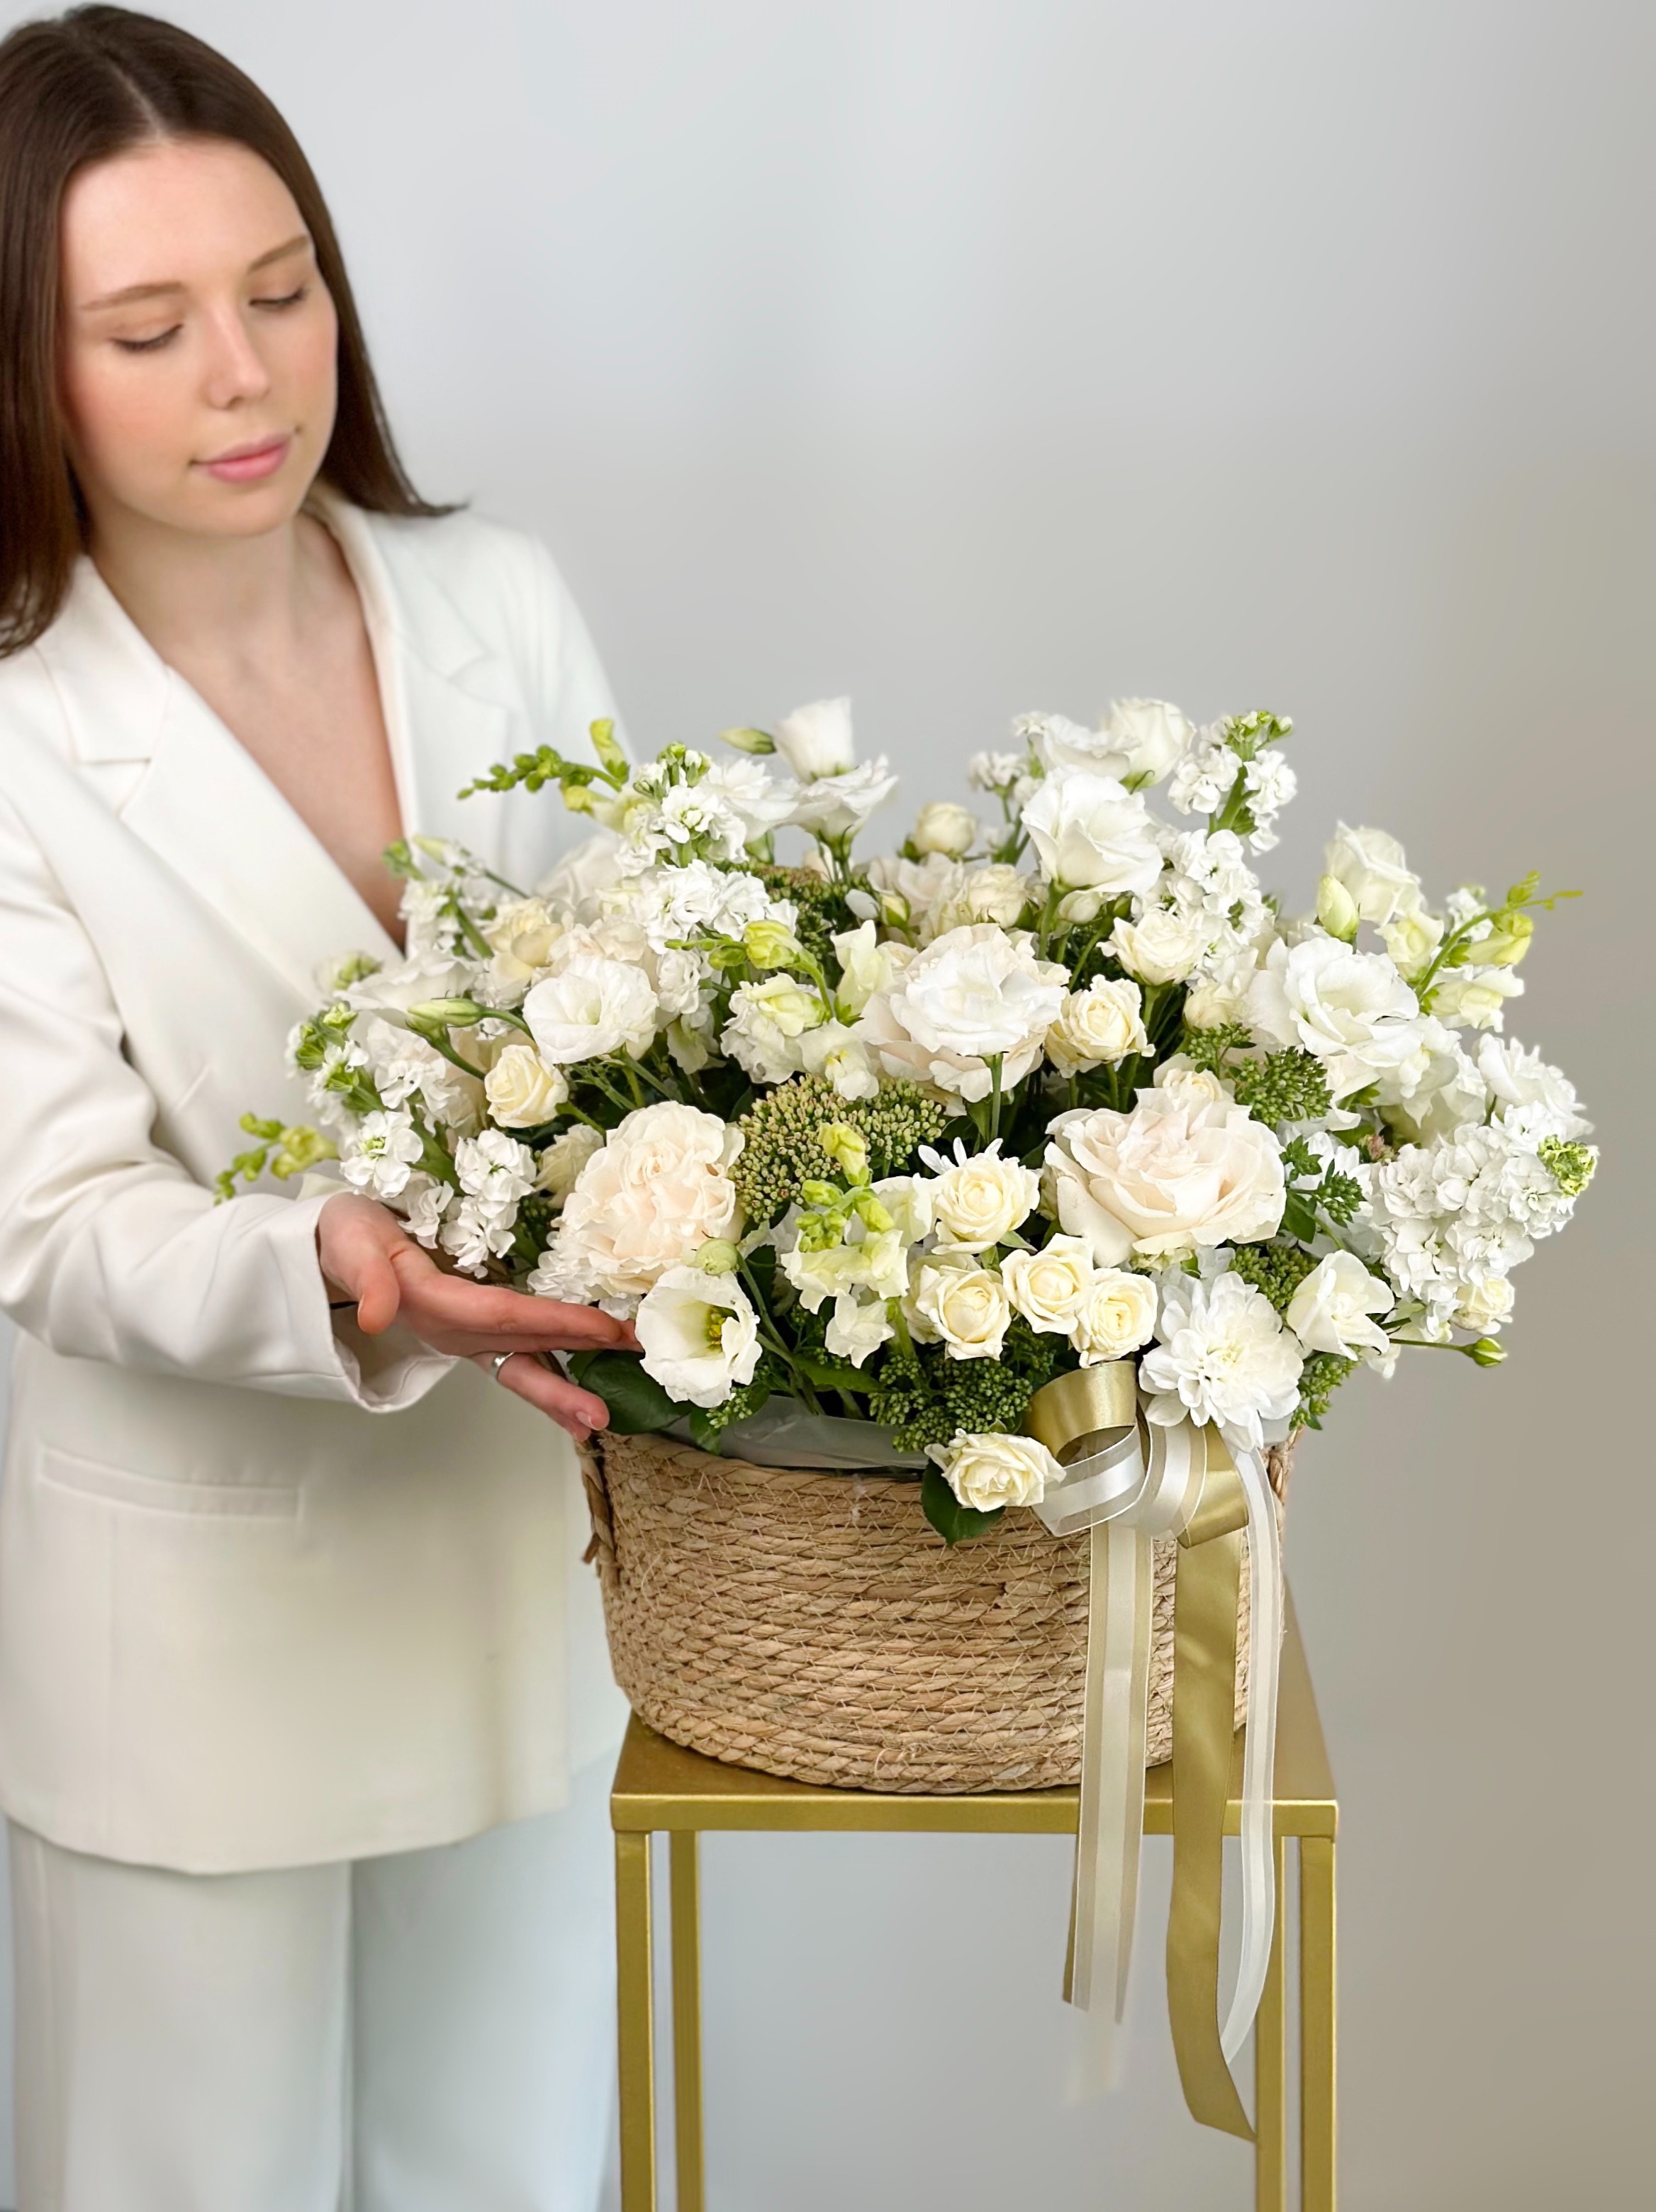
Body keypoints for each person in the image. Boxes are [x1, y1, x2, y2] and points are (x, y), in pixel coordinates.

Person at [0, 9, 639, 2206]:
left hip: (521, 1579)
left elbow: (644, 1006)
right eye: (147, 329)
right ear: (24, 371)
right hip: (190, 1640)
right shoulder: (18, 729)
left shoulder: (493, 601)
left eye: (281, 292)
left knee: (511, 2172)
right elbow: (50, 1215)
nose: (245, 375)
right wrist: (329, 1266)